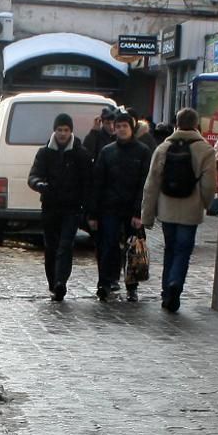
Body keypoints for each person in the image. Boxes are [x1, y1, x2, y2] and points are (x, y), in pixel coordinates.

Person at [138, 107, 218, 314]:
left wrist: (147, 215)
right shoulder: (206, 150)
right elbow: (209, 184)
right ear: (196, 125)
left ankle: (166, 292)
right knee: (183, 251)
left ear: (176, 124)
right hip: (190, 210)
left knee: (170, 249)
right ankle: (175, 283)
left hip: (167, 208)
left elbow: (151, 184)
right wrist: (206, 204)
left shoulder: (163, 148)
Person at [26, 112, 91, 302]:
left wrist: (86, 205)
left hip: (72, 208)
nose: (63, 133)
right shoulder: (45, 153)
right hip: (50, 206)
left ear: (71, 131)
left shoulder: (80, 153)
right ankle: (53, 282)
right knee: (51, 247)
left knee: (65, 246)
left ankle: (61, 282)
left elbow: (88, 181)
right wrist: (39, 184)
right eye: (60, 130)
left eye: (66, 130)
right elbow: (33, 175)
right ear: (54, 131)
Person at [90, 113, 154, 301]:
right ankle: (105, 283)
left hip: (132, 208)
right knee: (108, 246)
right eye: (118, 126)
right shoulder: (107, 152)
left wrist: (139, 212)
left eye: (125, 126)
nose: (121, 129)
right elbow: (98, 182)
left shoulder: (142, 151)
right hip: (109, 207)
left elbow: (145, 184)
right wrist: (93, 213)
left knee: (133, 249)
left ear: (131, 128)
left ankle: (132, 286)